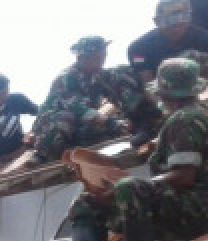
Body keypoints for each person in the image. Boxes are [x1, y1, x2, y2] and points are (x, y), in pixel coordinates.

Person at [65, 58, 208, 241]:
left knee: (129, 188)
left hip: (200, 211)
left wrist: (124, 188)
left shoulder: (187, 119)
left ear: (164, 94)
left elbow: (184, 176)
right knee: (88, 202)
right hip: (186, 209)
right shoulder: (196, 114)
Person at [32, 36, 165, 162]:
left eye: (103, 56)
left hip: (81, 124)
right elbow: (78, 109)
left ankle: (145, 120)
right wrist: (112, 123)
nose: (101, 61)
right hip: (53, 124)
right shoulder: (67, 78)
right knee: (65, 119)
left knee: (120, 74)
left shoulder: (96, 75)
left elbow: (112, 93)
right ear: (81, 58)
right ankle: (47, 154)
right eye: (96, 58)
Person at [130, 0, 208, 84]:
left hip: (199, 90)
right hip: (160, 94)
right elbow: (147, 83)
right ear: (156, 21)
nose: (176, 26)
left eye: (182, 19)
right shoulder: (138, 49)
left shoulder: (206, 39)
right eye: (169, 21)